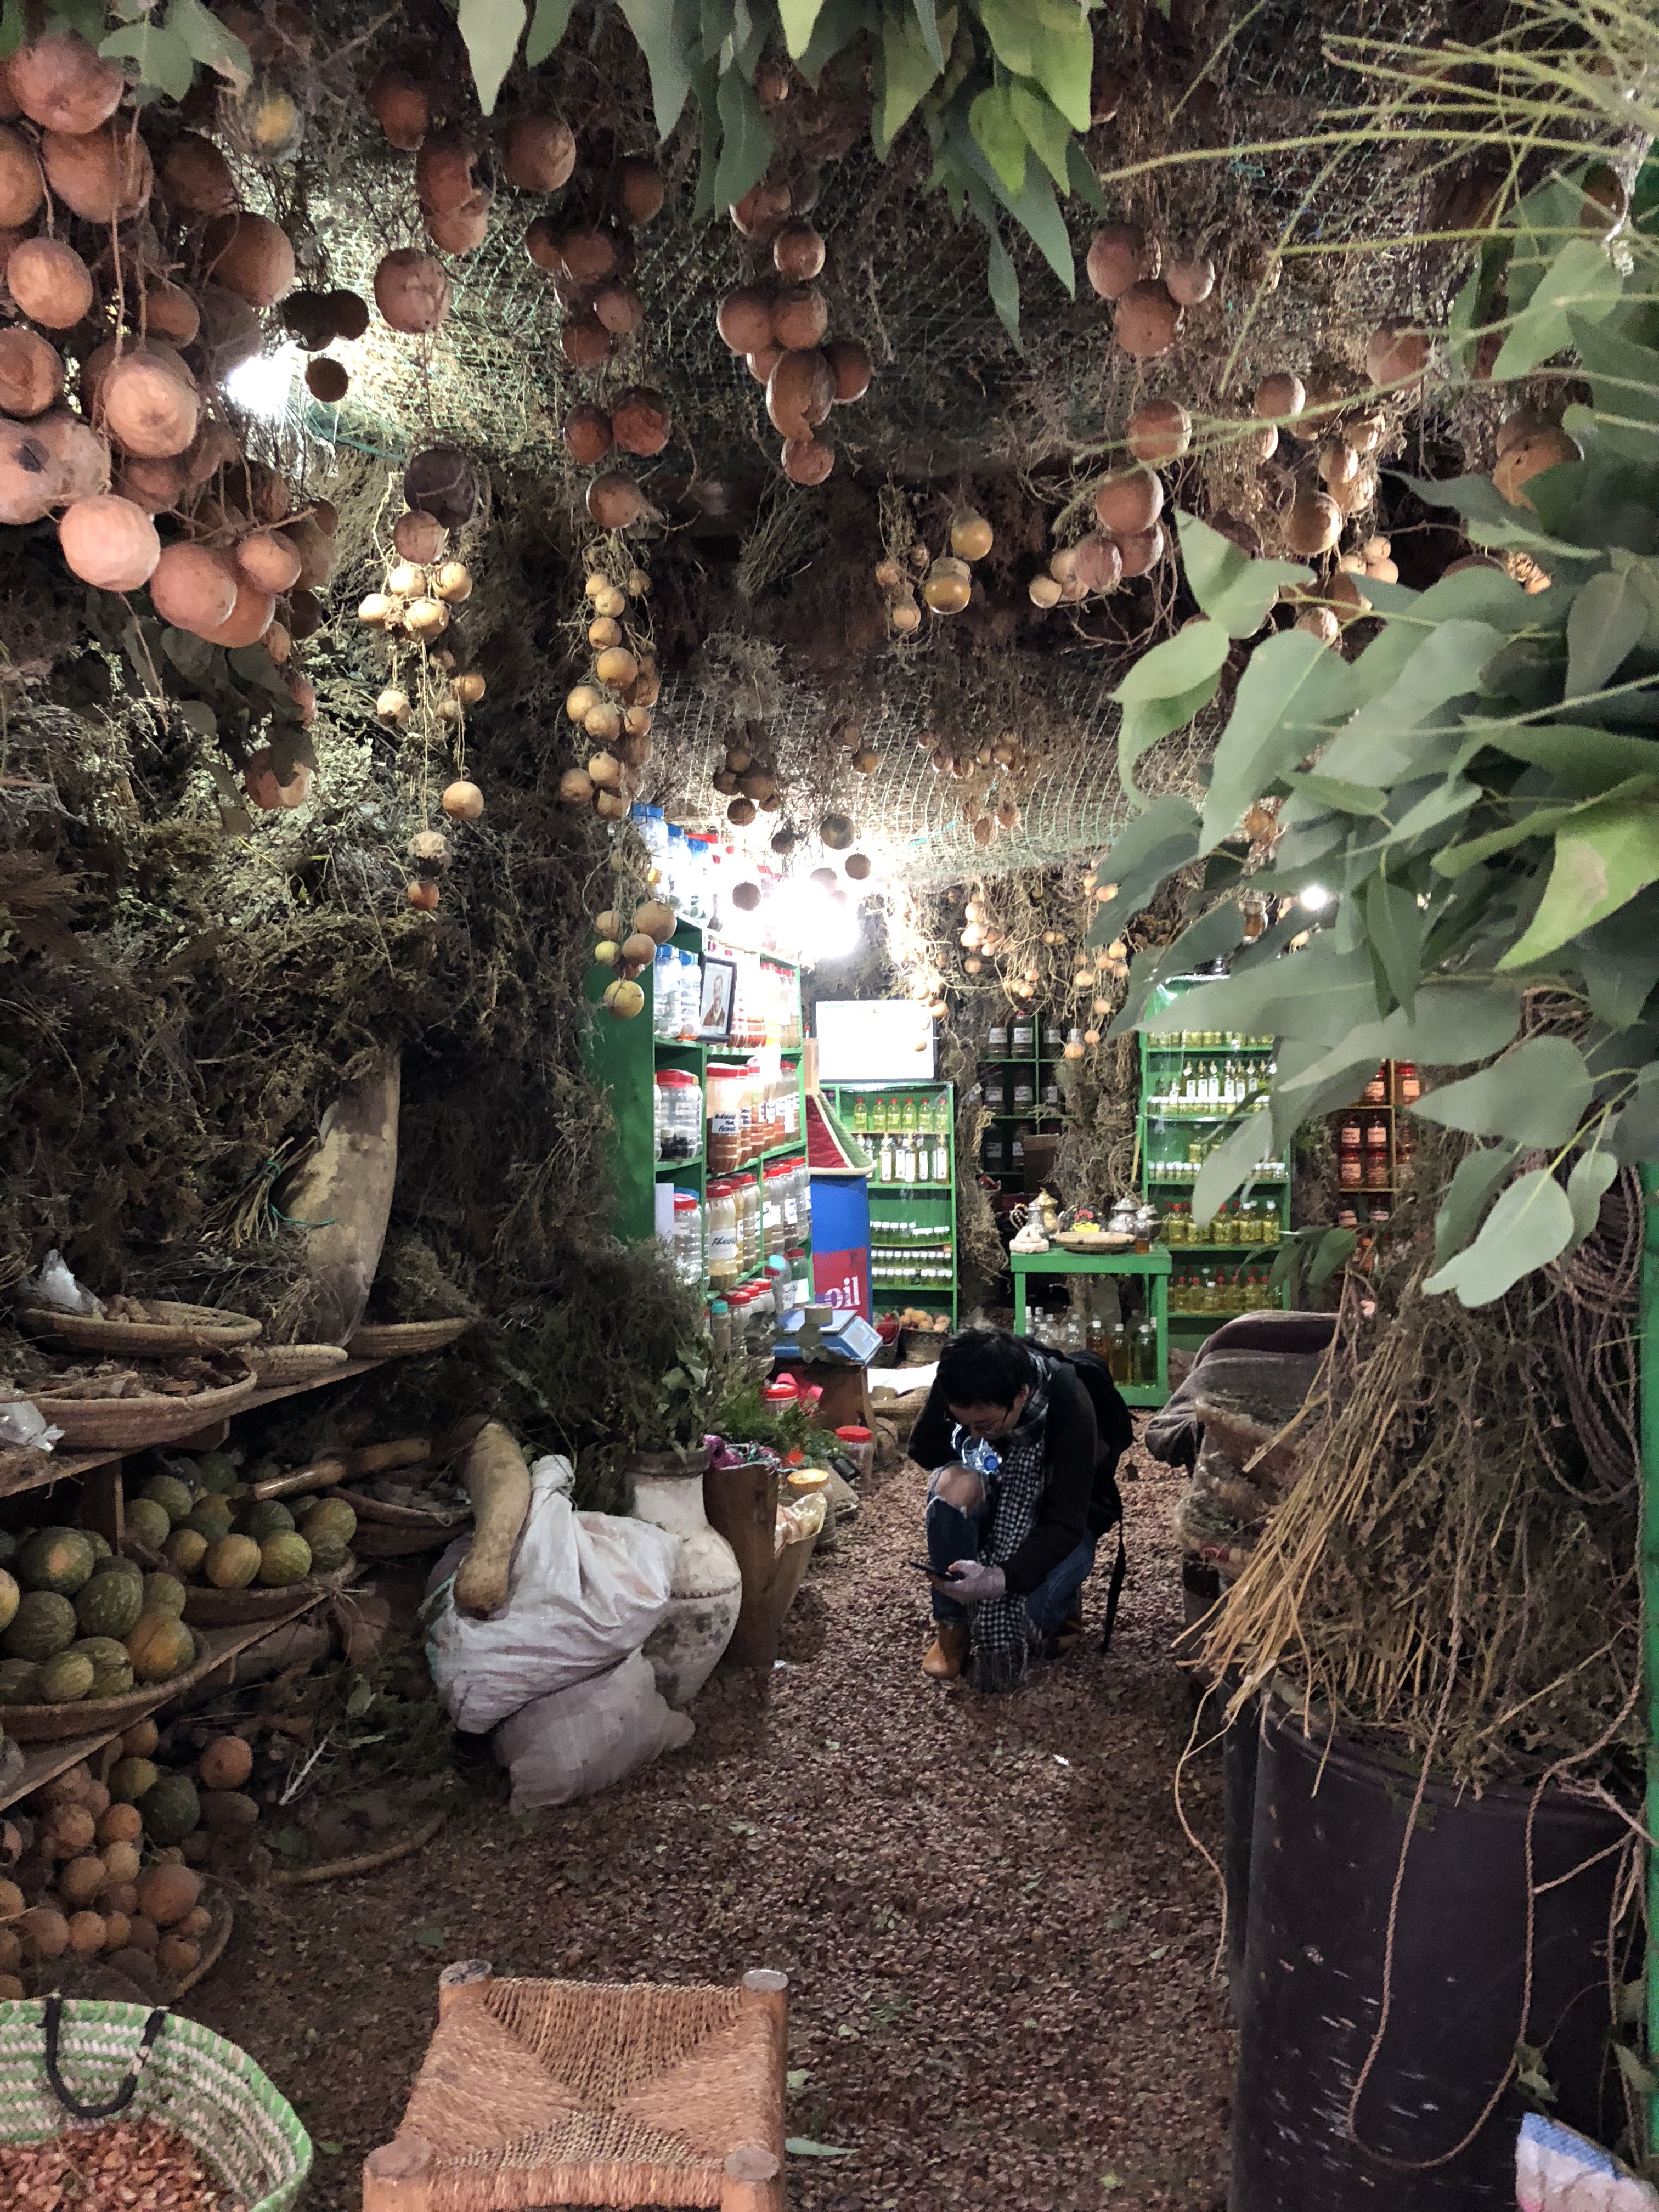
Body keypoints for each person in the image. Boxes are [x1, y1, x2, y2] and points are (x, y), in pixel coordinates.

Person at [909, 1326, 1132, 1689]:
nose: (975, 1434)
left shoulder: (1070, 1404)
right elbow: (924, 1452)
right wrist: (956, 1426)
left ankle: (1064, 1603)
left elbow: (1065, 1524)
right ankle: (953, 1627)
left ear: (1021, 1395)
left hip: (1064, 1521)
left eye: (985, 1424)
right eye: (965, 1423)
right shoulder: (960, 1384)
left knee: (1029, 1617)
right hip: (996, 1497)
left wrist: (998, 1579)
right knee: (950, 1489)